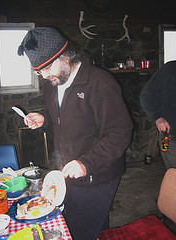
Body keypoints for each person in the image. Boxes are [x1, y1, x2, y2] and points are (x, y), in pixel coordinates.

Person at [18, 27, 133, 240]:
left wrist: (86, 163)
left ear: (65, 55)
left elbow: (120, 132)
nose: (44, 75)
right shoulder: (53, 84)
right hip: (68, 172)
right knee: (87, 225)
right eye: (38, 71)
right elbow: (65, 117)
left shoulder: (100, 84)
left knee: (82, 231)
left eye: (47, 67)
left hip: (97, 173)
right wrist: (45, 119)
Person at [140, 61, 176, 169]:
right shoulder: (170, 70)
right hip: (171, 134)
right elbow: (146, 96)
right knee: (173, 176)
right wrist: (158, 118)